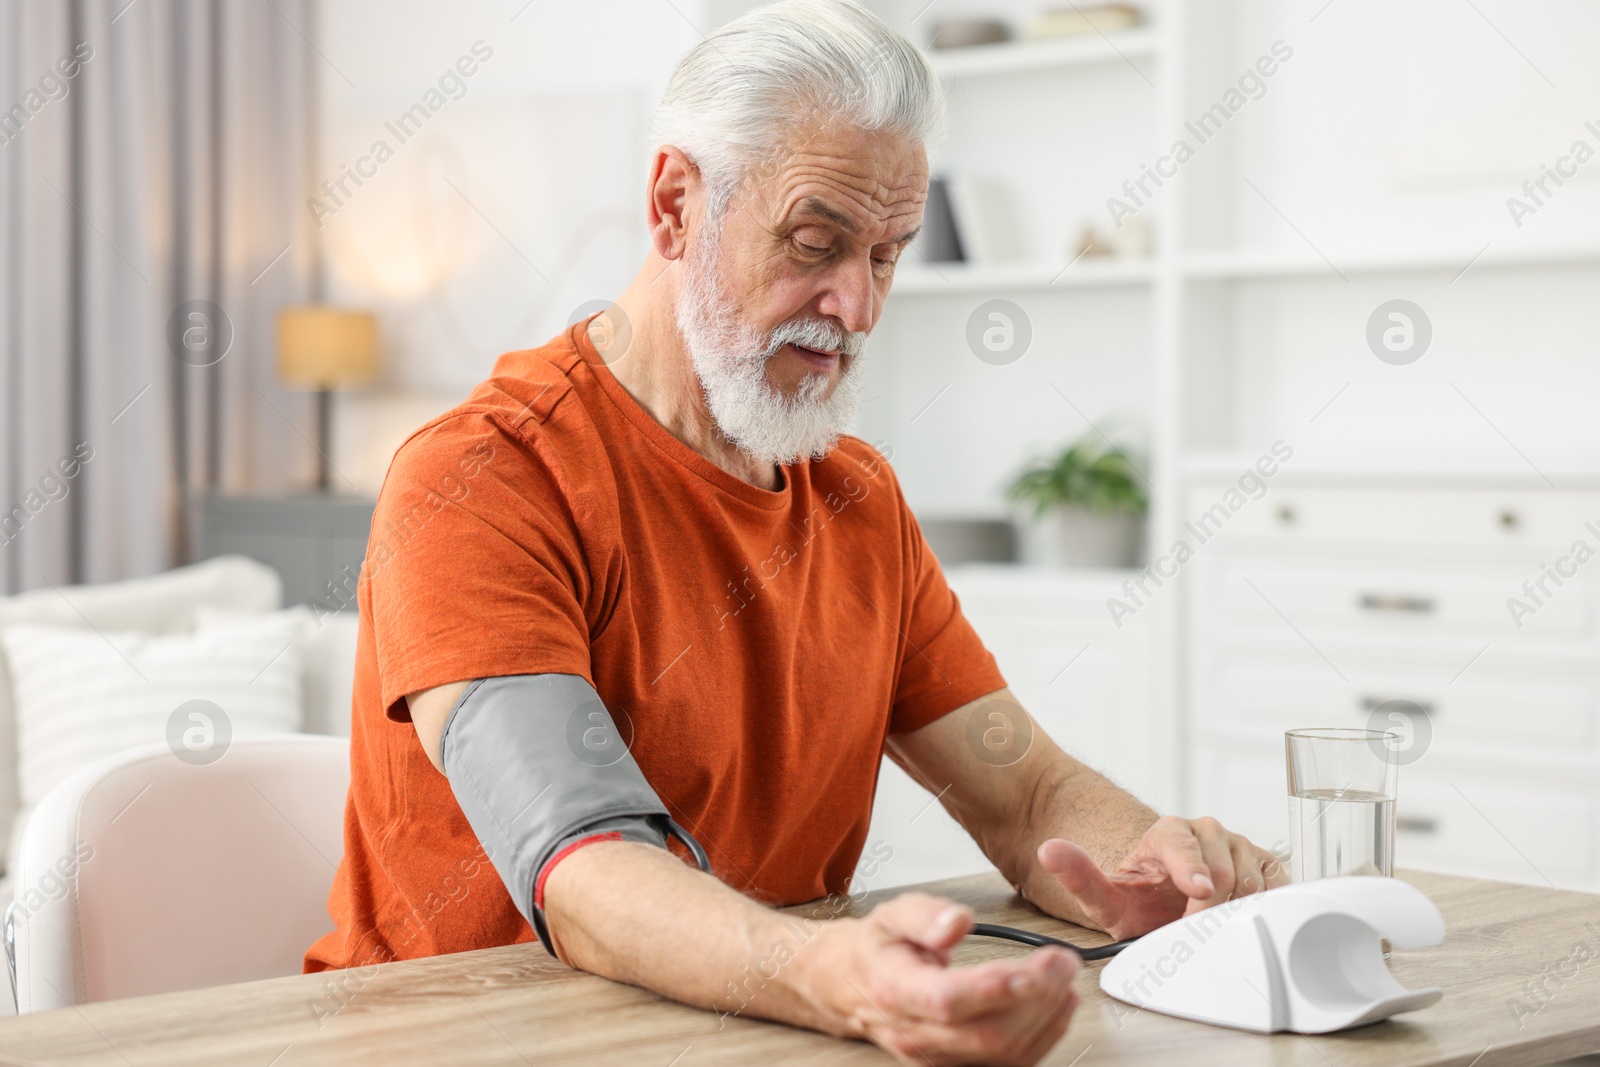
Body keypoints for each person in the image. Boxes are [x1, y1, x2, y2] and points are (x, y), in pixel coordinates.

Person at [305, 3, 1287, 1063]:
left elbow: (1028, 790)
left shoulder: (856, 500)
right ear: (676, 204)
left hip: (747, 1033)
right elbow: (580, 859)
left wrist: (1154, 864)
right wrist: (824, 972)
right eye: (815, 243)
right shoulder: (483, 479)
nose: (856, 305)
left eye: (888, 254)